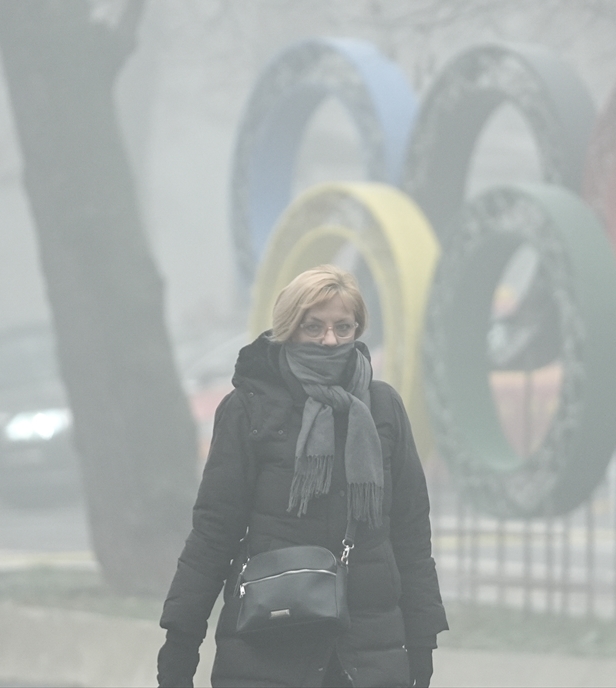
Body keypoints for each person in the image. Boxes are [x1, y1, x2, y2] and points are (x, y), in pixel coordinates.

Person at [157, 265, 447, 688]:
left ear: (357, 329)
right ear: (289, 328)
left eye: (342, 327)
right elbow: (214, 532)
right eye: (314, 327)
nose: (330, 340)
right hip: (267, 645)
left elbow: (411, 536)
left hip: (368, 652)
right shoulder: (249, 409)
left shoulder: (382, 409)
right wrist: (181, 641)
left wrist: (422, 643)